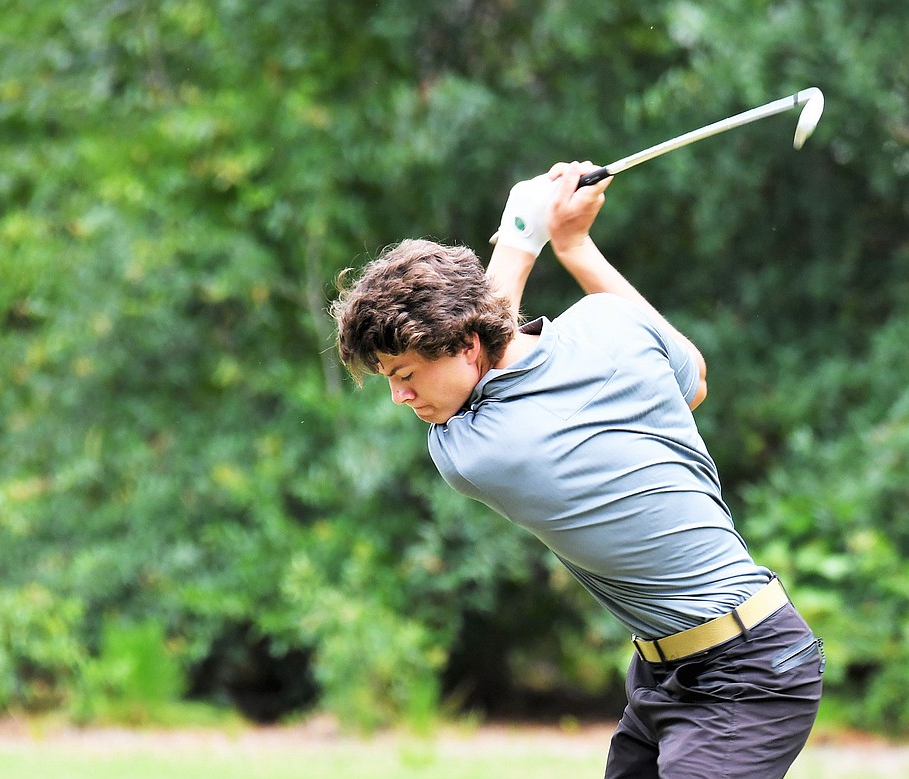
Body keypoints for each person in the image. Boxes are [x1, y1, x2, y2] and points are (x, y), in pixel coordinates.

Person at [330, 161, 824, 779]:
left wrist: (521, 235)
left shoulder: (479, 450)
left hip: (749, 674)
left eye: (404, 375)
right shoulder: (609, 322)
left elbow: (490, 319)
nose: (400, 399)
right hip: (665, 674)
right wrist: (573, 245)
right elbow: (693, 377)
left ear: (463, 344)